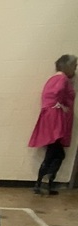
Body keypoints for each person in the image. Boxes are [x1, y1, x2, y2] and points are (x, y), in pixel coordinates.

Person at [28, 54, 76, 195]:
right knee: (56, 153)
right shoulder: (62, 79)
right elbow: (58, 92)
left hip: (50, 116)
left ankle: (43, 183)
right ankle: (46, 183)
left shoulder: (54, 79)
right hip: (56, 117)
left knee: (53, 152)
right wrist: (60, 105)